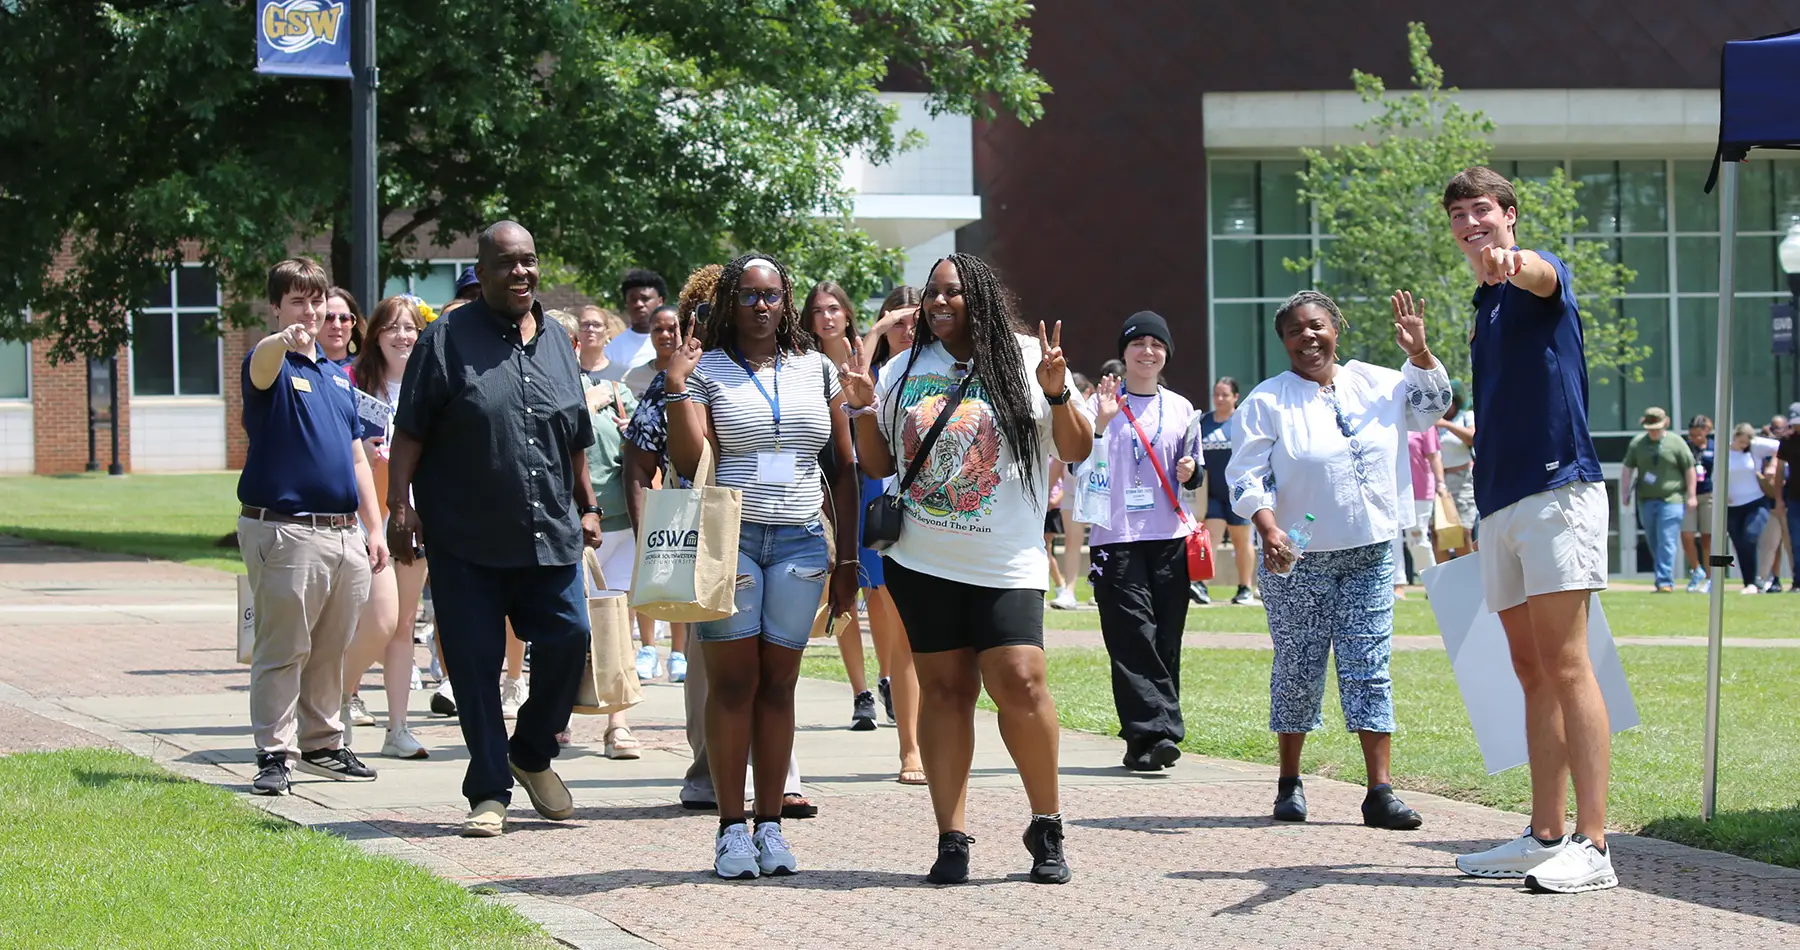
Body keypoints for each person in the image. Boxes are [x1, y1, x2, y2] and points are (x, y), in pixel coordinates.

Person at [844, 252, 1094, 886]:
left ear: (979, 295)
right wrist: (862, 409)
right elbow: (876, 467)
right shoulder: (903, 368)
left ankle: (1047, 823)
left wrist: (1058, 389)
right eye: (932, 294)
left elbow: (1075, 447)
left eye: (953, 292)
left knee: (1022, 680)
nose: (940, 304)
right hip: (922, 559)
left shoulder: (1025, 357)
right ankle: (951, 835)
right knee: (947, 692)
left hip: (1005, 557)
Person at [387, 220, 603, 838]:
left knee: (569, 637)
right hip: (466, 537)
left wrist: (587, 505)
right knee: (476, 666)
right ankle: (488, 791)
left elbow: (574, 435)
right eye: (506, 263)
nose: (521, 273)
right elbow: (410, 431)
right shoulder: (445, 339)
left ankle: (530, 752)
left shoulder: (559, 340)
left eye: (529, 261)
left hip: (550, 532)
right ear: (480, 272)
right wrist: (400, 506)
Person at [1435, 166, 1615, 894]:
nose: (1471, 225)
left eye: (1482, 211)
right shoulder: (1483, 303)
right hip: (1501, 501)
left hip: (1556, 491)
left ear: (1509, 214)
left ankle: (1595, 845)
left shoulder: (1536, 276)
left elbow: (1539, 273)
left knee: (1570, 666)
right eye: (1458, 216)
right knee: (1530, 670)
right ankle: (1545, 833)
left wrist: (1516, 263)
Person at [664, 253, 860, 880]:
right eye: (748, 295)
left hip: (803, 540)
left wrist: (849, 557)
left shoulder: (817, 367)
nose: (761, 306)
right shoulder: (708, 369)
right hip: (734, 541)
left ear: (786, 301)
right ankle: (729, 830)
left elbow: (845, 466)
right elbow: (690, 458)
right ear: (730, 302)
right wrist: (677, 388)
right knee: (733, 684)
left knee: (779, 685)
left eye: (772, 295)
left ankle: (771, 824)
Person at [1227, 289, 1446, 831]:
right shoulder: (1267, 401)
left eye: (1317, 325)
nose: (1308, 337)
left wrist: (1419, 353)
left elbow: (1432, 410)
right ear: (1283, 341)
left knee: (1369, 666)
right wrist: (1268, 524)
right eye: (1295, 330)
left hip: (1370, 550)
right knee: (1299, 667)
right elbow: (1245, 475)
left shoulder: (1378, 382)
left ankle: (1379, 791)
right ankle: (1289, 783)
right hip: (1296, 557)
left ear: (1336, 328)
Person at [625, 264, 814, 817]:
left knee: (775, 672)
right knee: (719, 673)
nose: (756, 309)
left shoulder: (799, 370)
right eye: (708, 308)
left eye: (768, 297)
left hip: (788, 528)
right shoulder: (684, 373)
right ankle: (709, 771)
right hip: (710, 532)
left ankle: (783, 782)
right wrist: (646, 530)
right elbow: (644, 457)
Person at [240, 258, 388, 796]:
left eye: (316, 299)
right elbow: (261, 362)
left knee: (331, 648)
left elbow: (356, 460)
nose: (310, 310)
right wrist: (283, 339)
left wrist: (372, 529)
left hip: (343, 532)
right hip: (285, 529)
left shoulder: (335, 377)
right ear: (277, 305)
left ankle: (322, 743)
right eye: (297, 300)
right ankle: (273, 753)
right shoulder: (271, 366)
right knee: (284, 648)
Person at [1084, 311, 1199, 773]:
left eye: (1156, 343)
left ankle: (1144, 741)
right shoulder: (1099, 403)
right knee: (1132, 634)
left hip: (1170, 532)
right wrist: (1099, 425)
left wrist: (1192, 469)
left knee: (1166, 637)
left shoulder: (1183, 408)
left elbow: (1192, 472)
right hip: (1115, 534)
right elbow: (1078, 465)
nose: (1147, 352)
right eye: (1137, 343)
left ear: (1166, 352)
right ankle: (1159, 729)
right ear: (1123, 352)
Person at [341, 295, 432, 760]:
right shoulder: (355, 386)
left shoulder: (430, 386)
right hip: (366, 521)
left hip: (416, 522)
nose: (402, 336)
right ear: (375, 334)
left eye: (410, 327)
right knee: (378, 622)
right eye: (392, 327)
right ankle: (330, 697)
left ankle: (398, 727)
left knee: (402, 629)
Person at [854, 285, 926, 783]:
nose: (907, 330)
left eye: (912, 321)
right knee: (897, 631)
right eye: (897, 322)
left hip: (940, 513)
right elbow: (853, 380)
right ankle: (911, 749)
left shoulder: (943, 370)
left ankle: (928, 738)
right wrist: (877, 331)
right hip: (886, 514)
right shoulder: (877, 377)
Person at [801, 279, 880, 730]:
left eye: (834, 308)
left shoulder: (866, 361)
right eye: (818, 310)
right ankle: (861, 691)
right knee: (840, 590)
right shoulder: (801, 364)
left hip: (867, 478)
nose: (827, 317)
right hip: (823, 480)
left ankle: (887, 677)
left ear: (847, 313)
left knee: (880, 593)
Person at [581, 355, 646, 760]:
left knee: (617, 627)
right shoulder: (539, 392)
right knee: (569, 627)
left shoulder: (617, 392)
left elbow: (648, 440)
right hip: (567, 526)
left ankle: (617, 726)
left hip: (620, 524)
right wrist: (584, 406)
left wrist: (631, 431)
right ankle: (557, 719)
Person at [1182, 377, 1257, 606]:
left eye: (1225, 395)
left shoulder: (1242, 422)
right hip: (1211, 493)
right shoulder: (1205, 422)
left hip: (1238, 492)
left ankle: (1245, 588)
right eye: (1217, 394)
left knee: (1241, 540)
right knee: (1208, 538)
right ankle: (1201, 585)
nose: (1220, 399)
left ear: (1235, 397)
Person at [1619, 407, 1696, 594]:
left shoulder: (1676, 442)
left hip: (1672, 499)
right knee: (1653, 540)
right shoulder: (1638, 443)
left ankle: (1664, 581)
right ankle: (1663, 576)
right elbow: (1628, 468)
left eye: (1657, 427)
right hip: (1646, 500)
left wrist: (1692, 495)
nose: (1653, 431)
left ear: (1666, 424)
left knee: (1667, 539)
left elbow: (1689, 468)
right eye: (1650, 427)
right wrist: (1624, 493)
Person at [1722, 422, 1781, 595]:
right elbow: (1716, 476)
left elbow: (1781, 446)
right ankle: (1750, 582)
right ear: (1735, 437)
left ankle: (1758, 580)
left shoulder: (1755, 447)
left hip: (1755, 501)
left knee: (1750, 536)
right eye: (1741, 442)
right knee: (1740, 545)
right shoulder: (1724, 452)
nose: (1744, 446)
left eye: (1747, 443)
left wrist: (1772, 465)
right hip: (1732, 506)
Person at [1392, 421, 1447, 597]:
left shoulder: (1425, 424)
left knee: (1417, 537)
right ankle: (1397, 585)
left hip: (1420, 490)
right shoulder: (1391, 419)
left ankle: (1433, 584)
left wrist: (1441, 483)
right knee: (1393, 538)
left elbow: (1434, 456)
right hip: (1393, 490)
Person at [1435, 381, 1477, 558]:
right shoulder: (1430, 421)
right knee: (1439, 534)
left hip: (1463, 479)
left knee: (1463, 532)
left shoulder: (1466, 417)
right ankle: (1445, 583)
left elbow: (1473, 438)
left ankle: (1468, 578)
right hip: (1437, 483)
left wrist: (1446, 425)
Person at [604, 269, 667, 375]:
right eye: (633, 300)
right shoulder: (613, 349)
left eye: (645, 299)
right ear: (626, 304)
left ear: (660, 301)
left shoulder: (676, 342)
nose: (639, 304)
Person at [1680, 415, 1717, 592]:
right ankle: (1696, 569)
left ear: (1707, 431)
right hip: (1689, 495)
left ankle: (1712, 578)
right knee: (1686, 535)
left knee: (1707, 538)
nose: (1695, 439)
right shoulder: (1686, 447)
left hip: (1709, 494)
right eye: (1692, 435)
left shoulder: (1714, 447)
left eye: (1698, 435)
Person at [1756, 415, 1792, 592]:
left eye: (1782, 428)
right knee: (1771, 545)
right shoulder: (1766, 452)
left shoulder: (1790, 447)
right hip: (1770, 504)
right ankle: (1773, 579)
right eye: (1775, 428)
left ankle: (1796, 580)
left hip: (1790, 503)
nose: (1778, 432)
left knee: (1791, 545)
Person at [621, 305, 677, 396]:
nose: (664, 335)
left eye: (672, 329)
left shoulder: (699, 375)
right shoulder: (632, 378)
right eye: (658, 329)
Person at [1779, 406, 1800, 590]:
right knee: (1796, 542)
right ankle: (1798, 581)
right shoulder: (1787, 441)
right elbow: (1779, 470)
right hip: (1794, 497)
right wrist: (1778, 498)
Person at [321, 287, 364, 367]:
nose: (337, 326)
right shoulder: (299, 368)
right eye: (328, 317)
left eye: (344, 318)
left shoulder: (366, 371)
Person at [575, 306, 615, 385]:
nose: (590, 329)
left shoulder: (622, 374)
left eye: (597, 325)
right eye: (585, 324)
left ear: (607, 333)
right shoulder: (568, 371)